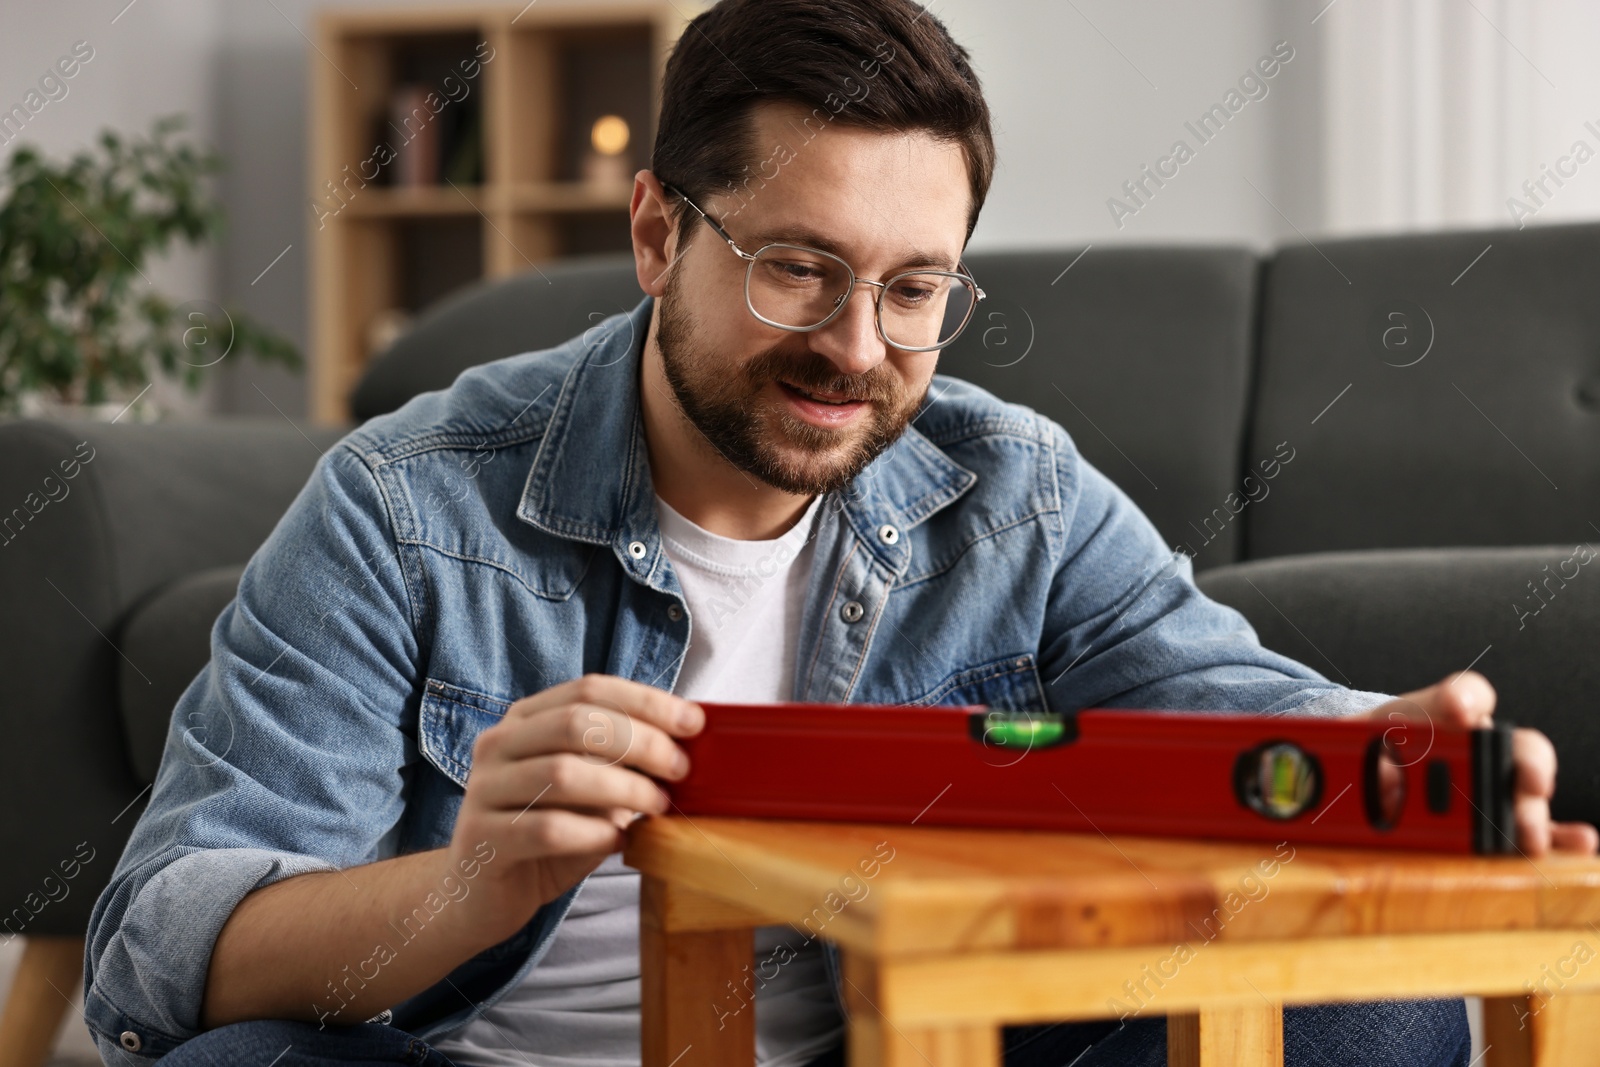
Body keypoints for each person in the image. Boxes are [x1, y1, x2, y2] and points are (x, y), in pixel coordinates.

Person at [82, 0, 1595, 1064]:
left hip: (898, 1053)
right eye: (799, 268)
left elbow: (1225, 700)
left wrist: (1381, 746)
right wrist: (467, 888)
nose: (858, 348)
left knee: (1365, 1013)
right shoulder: (408, 501)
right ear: (660, 232)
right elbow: (157, 949)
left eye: (916, 287)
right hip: (458, 1057)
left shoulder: (1017, 491)